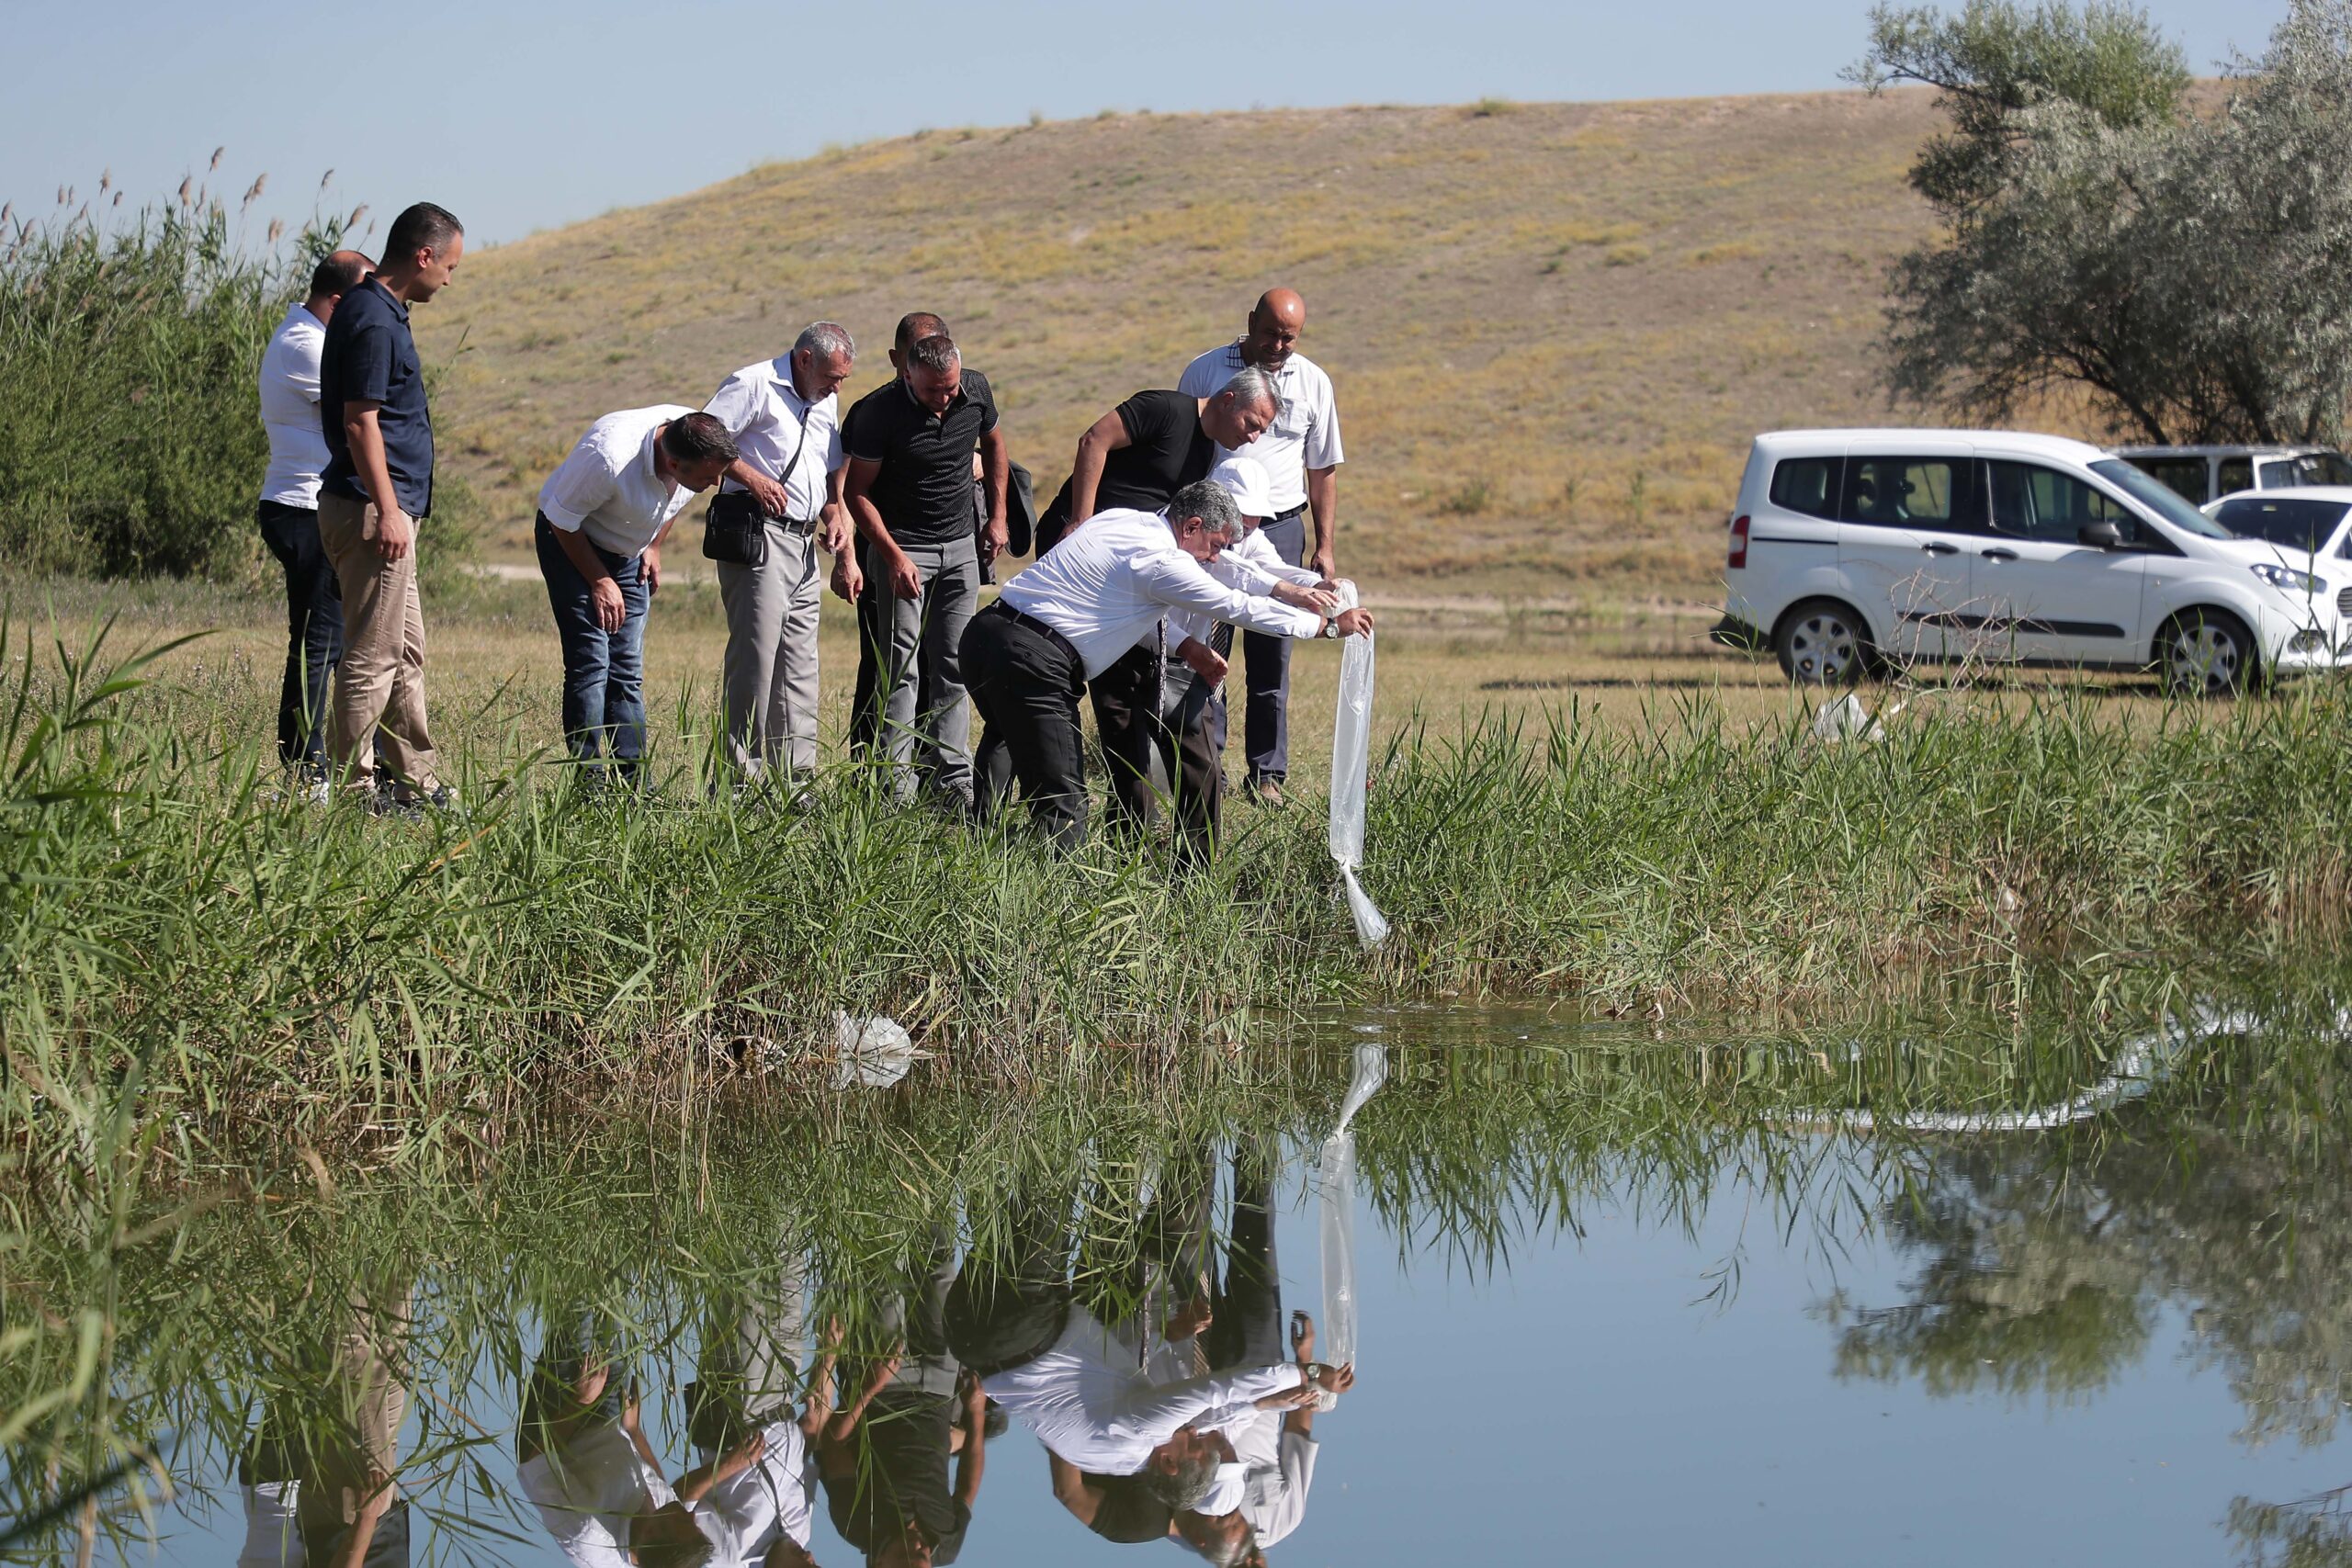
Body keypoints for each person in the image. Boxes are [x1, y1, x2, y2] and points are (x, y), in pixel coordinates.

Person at [959, 479, 1372, 853]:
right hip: (1035, 662)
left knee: (1012, 747)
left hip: (986, 636)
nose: (1215, 557)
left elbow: (1181, 585)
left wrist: (1276, 592)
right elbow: (1235, 606)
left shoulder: (1123, 520)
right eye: (1214, 544)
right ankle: (1052, 915)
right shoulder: (1164, 563)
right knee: (1064, 807)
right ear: (1191, 526)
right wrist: (1327, 626)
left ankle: (984, 854)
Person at [944, 1183, 1349, 1519]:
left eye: (1194, 1443)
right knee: (997, 1203)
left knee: (1046, 1183)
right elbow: (1113, 1384)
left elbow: (1212, 1393)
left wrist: (1309, 1374)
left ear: (1170, 1464)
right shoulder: (1117, 1460)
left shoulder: (1144, 1435)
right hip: (974, 1340)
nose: (1193, 1431)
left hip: (1023, 1325)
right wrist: (1259, 1404)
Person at [1025, 374, 1280, 854]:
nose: (1254, 437)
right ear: (1227, 400)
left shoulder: (1207, 452)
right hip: (1092, 563)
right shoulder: (1166, 410)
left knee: (1137, 692)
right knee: (1063, 691)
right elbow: (1093, 439)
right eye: (1252, 423)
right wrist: (1080, 522)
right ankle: (1051, 821)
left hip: (1138, 576)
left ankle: (1140, 833)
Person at [317, 201, 462, 813]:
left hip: (381, 510)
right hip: (374, 513)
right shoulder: (375, 320)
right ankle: (352, 796)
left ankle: (416, 782)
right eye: (450, 265)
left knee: (404, 653)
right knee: (373, 657)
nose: (450, 278)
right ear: (423, 256)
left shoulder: (375, 309)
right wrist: (390, 507)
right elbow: (361, 423)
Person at [1178, 289, 1345, 807]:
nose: (1278, 345)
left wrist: (1325, 545)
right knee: (1212, 640)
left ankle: (1267, 773)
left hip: (1281, 525)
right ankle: (1212, 764)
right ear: (1250, 322)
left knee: (1273, 653)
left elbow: (1322, 469)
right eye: (1270, 333)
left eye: (1288, 338)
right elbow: (1184, 449)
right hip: (1216, 530)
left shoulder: (1314, 381)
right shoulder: (1205, 372)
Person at [841, 329, 1007, 808]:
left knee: (954, 664)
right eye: (933, 389)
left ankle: (951, 779)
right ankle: (895, 786)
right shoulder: (879, 413)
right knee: (901, 669)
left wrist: (996, 517)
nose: (944, 397)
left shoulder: (974, 389)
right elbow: (857, 493)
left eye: (950, 387)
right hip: (902, 551)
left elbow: (995, 447)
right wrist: (891, 555)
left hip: (960, 550)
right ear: (907, 372)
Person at [535, 409, 738, 786]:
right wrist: (598, 579)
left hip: (628, 552)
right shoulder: (608, 457)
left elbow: (671, 503)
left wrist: (654, 547)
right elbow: (561, 519)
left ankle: (635, 784)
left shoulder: (691, 437)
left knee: (626, 669)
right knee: (592, 664)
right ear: (673, 462)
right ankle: (589, 784)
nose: (716, 483)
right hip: (571, 541)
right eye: (709, 477)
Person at [703, 322, 857, 786]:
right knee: (756, 658)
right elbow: (701, 435)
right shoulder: (752, 384)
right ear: (805, 359)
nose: (837, 388)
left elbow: (829, 474)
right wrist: (751, 477)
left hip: (805, 541)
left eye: (843, 380)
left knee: (800, 663)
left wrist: (836, 513)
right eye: (832, 376)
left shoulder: (825, 400)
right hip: (759, 534)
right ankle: (740, 783)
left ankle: (795, 782)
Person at [257, 246, 375, 784]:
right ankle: (306, 769)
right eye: (363, 297)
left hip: (306, 505)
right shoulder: (306, 347)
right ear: (337, 300)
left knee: (327, 640)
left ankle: (313, 761)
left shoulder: (311, 339)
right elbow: (365, 407)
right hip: (303, 509)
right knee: (319, 641)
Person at [819, 1230, 989, 1565]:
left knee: (882, 1271)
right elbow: (968, 1485)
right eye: (924, 1557)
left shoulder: (856, 1525)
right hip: (939, 1387)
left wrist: (869, 1388)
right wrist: (978, 1413)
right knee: (940, 1271)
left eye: (907, 1557)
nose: (920, 1547)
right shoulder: (948, 1544)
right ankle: (931, 1190)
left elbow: (831, 1443)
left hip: (882, 1386)